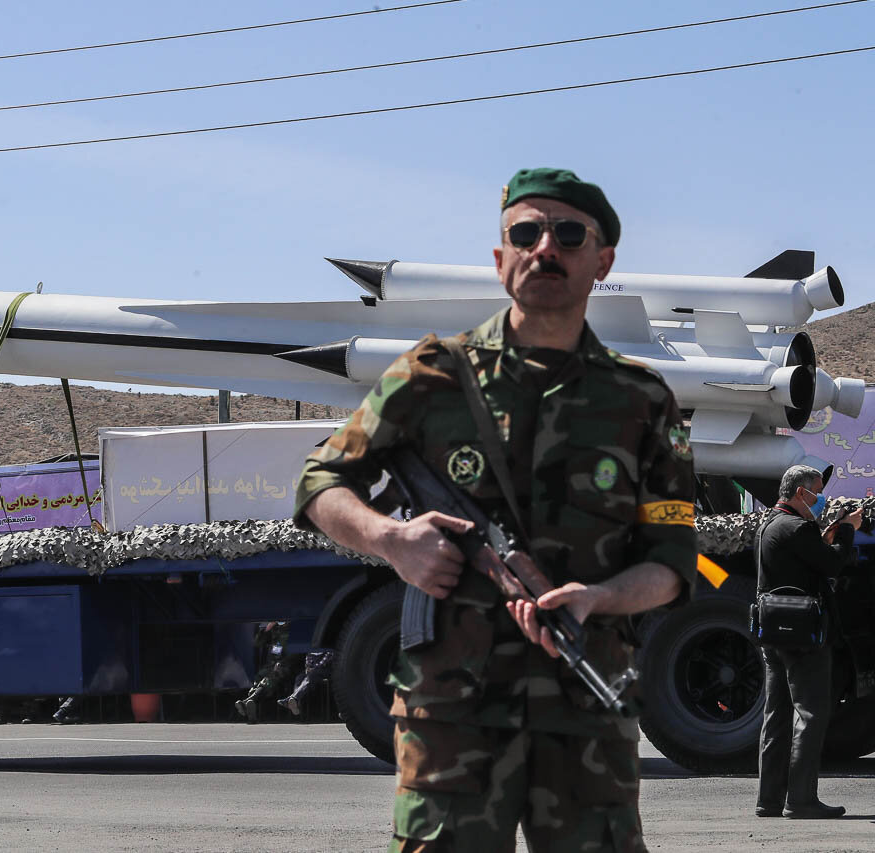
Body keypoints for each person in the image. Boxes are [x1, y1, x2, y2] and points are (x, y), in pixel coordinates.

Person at [294, 168, 698, 851]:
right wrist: (393, 539)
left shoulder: (642, 400)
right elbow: (319, 482)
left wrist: (598, 597)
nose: (546, 248)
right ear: (500, 256)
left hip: (585, 717)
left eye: (569, 234)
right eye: (526, 232)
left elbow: (671, 562)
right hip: (453, 715)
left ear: (602, 262)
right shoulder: (429, 376)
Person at [754, 465, 860, 819]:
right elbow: (831, 565)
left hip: (773, 633)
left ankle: (768, 799)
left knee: (777, 716)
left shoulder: (771, 524)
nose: (821, 499)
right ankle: (800, 799)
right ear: (801, 493)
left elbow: (803, 562)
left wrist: (825, 536)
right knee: (812, 713)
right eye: (817, 491)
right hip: (803, 636)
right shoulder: (798, 528)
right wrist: (847, 531)